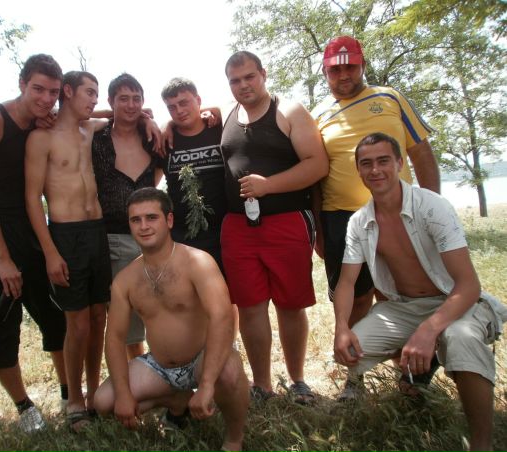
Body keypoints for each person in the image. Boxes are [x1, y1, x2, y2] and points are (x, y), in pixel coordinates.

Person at [333, 132, 506, 452]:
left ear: (400, 163)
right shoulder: (359, 221)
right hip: (404, 307)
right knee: (351, 352)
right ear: (358, 170)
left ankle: (482, 443)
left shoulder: (432, 206)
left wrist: (429, 330)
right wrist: (341, 327)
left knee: (461, 338)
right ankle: (419, 370)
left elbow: (468, 285)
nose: (375, 170)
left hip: (454, 301)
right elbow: (346, 282)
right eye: (366, 163)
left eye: (383, 161)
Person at [93, 187, 249, 452]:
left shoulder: (198, 262)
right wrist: (123, 394)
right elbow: (115, 338)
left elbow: (221, 317)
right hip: (160, 368)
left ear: (169, 220)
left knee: (230, 373)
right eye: (136, 220)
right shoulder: (125, 280)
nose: (144, 226)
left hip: (203, 358)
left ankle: (234, 438)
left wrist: (207, 384)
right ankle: (177, 400)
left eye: (151, 217)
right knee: (103, 402)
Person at [220, 51, 329, 404]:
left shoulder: (289, 111)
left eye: (249, 77)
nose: (243, 85)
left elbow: (318, 164)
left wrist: (269, 186)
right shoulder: (228, 115)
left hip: (287, 221)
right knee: (249, 306)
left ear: (263, 74)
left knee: (290, 305)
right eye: (235, 80)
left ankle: (297, 381)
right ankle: (262, 385)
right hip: (238, 226)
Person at [0, 54, 67, 433]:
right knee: (0, 321)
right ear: (22, 83)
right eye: (38, 89)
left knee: (57, 313)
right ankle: (25, 408)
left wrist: (143, 117)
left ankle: (68, 393)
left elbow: (83, 112)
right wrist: (1, 258)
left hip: (31, 227)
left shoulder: (42, 121)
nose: (46, 98)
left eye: (53, 92)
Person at [312, 35, 440, 327]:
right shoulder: (316, 116)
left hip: (399, 212)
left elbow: (421, 154)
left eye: (351, 67)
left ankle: (404, 355)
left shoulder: (391, 98)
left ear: (363, 65)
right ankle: (351, 351)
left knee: (400, 294)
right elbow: (316, 177)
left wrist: (432, 208)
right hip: (341, 219)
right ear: (325, 72)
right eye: (335, 69)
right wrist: (319, 231)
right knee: (353, 298)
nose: (344, 75)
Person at [25, 71, 112, 432]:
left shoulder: (88, 129)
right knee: (77, 323)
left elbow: (118, 114)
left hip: (97, 231)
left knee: (98, 317)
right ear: (68, 91)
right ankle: (74, 400)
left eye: (96, 94)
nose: (94, 99)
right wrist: (50, 252)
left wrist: (149, 120)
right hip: (66, 235)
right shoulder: (41, 138)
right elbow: (32, 199)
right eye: (89, 93)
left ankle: (93, 392)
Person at [92, 73, 163, 360]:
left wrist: (148, 120)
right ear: (111, 101)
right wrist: (125, 115)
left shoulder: (152, 138)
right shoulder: (96, 138)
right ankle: (138, 373)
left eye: (136, 99)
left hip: (155, 240)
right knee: (128, 321)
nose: (131, 105)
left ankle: (167, 369)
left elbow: (158, 175)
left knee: (161, 311)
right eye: (123, 99)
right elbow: (67, 116)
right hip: (115, 239)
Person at [160, 77, 225, 270]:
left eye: (184, 103)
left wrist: (216, 109)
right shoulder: (164, 141)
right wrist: (166, 124)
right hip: (183, 237)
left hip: (225, 233)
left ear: (198, 100)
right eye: (171, 107)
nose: (179, 111)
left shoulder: (220, 129)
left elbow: (238, 106)